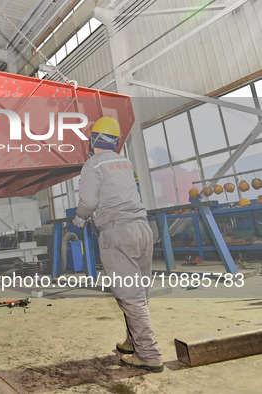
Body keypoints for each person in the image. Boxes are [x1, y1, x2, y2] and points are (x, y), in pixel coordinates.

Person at [73, 116, 163, 373]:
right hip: (142, 230)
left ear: (93, 140)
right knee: (140, 293)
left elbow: (89, 202)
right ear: (115, 141)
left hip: (117, 232)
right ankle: (132, 342)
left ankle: (149, 354)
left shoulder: (93, 165)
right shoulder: (125, 162)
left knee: (130, 296)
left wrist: (79, 219)